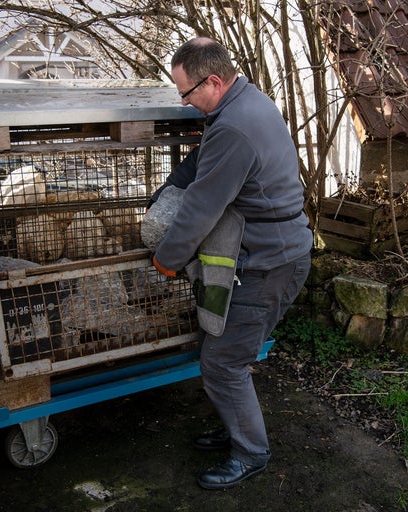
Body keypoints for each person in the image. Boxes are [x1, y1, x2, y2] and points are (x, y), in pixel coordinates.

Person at [151, 37, 312, 490]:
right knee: (221, 350)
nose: (184, 102)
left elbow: (201, 208)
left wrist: (165, 261)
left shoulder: (235, 127)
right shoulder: (244, 104)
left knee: (223, 363)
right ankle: (235, 425)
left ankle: (251, 453)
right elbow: (198, 165)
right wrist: (162, 195)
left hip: (267, 265)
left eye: (185, 93)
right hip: (273, 253)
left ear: (214, 81)